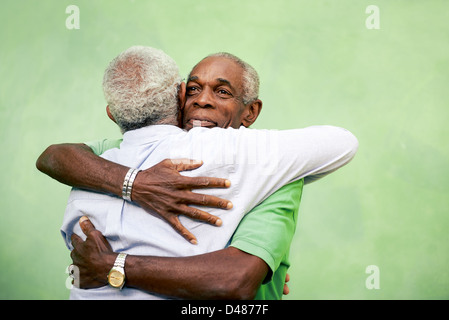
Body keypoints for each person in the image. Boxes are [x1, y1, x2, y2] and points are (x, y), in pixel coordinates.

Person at [37, 47, 358, 299]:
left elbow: (237, 279)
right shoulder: (118, 153)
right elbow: (55, 156)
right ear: (178, 97)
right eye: (193, 89)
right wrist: (135, 183)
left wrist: (111, 266)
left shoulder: (272, 170)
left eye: (222, 92)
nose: (202, 100)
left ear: (251, 111)